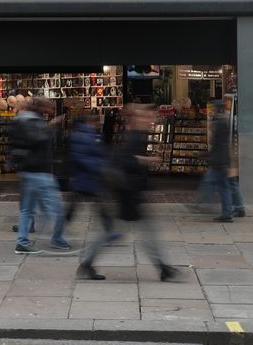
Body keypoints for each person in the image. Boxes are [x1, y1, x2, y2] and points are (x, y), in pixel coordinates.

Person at [98, 104, 178, 281]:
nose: (151, 120)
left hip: (132, 192)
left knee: (129, 232)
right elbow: (124, 160)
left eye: (152, 117)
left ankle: (164, 268)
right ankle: (163, 268)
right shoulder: (134, 136)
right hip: (129, 193)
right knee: (140, 233)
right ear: (137, 119)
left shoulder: (138, 135)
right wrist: (148, 160)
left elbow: (127, 159)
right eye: (147, 117)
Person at [10, 97, 70, 254]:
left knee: (27, 209)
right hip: (38, 171)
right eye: (49, 108)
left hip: (28, 170)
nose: (50, 111)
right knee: (56, 208)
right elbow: (37, 140)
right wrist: (51, 126)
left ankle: (22, 242)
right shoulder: (33, 122)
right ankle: (56, 238)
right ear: (42, 108)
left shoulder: (24, 120)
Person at [69, 112, 121, 280]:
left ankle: (109, 231)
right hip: (90, 182)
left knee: (101, 210)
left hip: (88, 182)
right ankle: (109, 233)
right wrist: (102, 168)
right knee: (102, 209)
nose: (98, 123)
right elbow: (85, 158)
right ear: (89, 121)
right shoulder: (85, 136)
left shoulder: (87, 134)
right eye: (95, 120)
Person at [202, 99, 243, 222]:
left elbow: (218, 143)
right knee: (226, 184)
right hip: (224, 160)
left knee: (219, 184)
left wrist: (211, 157)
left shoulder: (220, 121)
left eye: (214, 108)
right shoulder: (224, 120)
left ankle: (226, 211)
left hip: (221, 161)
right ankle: (233, 209)